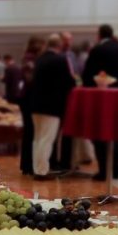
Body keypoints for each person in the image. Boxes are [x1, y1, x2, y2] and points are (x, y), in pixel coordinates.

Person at [81, 24, 118, 181]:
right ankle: (116, 168)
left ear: (99, 35)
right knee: (115, 134)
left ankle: (104, 170)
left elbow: (88, 75)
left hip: (100, 99)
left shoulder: (97, 50)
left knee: (100, 134)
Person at [28, 34, 77, 180]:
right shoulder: (61, 60)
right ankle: (42, 171)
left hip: (35, 105)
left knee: (37, 139)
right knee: (46, 139)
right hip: (52, 106)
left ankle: (37, 168)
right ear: (60, 45)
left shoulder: (40, 59)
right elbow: (70, 82)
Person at [20, 36, 46, 175]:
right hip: (29, 98)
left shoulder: (29, 58)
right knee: (30, 132)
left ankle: (28, 165)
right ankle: (28, 165)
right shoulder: (30, 59)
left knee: (30, 132)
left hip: (28, 98)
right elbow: (30, 79)